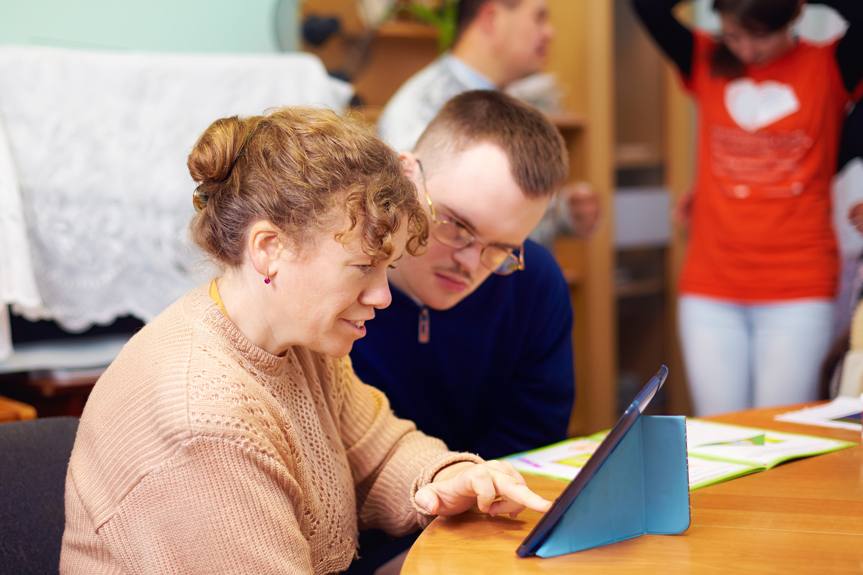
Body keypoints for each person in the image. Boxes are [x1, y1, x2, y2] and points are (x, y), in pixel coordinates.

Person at [59, 106, 552, 574]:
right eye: (363, 267)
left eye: (388, 268)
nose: (382, 296)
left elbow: (379, 453)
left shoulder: (297, 342)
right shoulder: (203, 422)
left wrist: (447, 478)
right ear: (270, 248)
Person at [634, 0, 863, 415]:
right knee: (719, 432)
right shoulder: (705, 58)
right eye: (734, 34)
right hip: (711, 288)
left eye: (760, 35)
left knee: (782, 434)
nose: (747, 51)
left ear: (793, 16)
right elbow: (646, 7)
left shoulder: (828, 64)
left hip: (798, 288)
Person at [351, 90, 573, 461]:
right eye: (455, 225)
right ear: (406, 173)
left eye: (502, 248)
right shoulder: (333, 278)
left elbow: (531, 445)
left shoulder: (534, 282)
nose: (471, 263)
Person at [377, 0, 600, 246]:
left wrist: (560, 211)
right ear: (492, 18)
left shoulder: (508, 102)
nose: (550, 33)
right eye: (539, 17)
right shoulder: (426, 109)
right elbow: (423, 228)